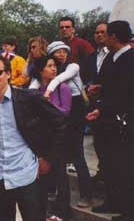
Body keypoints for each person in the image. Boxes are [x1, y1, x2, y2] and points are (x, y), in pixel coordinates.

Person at [0, 53, 67, 221]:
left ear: (9, 74)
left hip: (28, 174)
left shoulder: (29, 98)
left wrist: (48, 159)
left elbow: (61, 124)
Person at [30, 41, 93, 208]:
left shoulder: (71, 67)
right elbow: (34, 85)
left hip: (73, 114)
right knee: (58, 158)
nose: (61, 54)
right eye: (57, 52)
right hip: (59, 119)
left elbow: (57, 80)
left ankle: (87, 194)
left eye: (64, 51)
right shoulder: (50, 69)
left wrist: (48, 94)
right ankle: (54, 190)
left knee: (77, 155)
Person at [87, 21, 134, 221]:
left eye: (106, 34)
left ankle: (130, 209)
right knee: (108, 162)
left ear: (114, 37)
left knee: (125, 166)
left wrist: (102, 108)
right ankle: (113, 200)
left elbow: (128, 93)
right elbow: (109, 84)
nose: (103, 38)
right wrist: (98, 88)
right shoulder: (111, 57)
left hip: (124, 122)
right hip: (106, 121)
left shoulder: (133, 59)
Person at [32, 55, 72, 221]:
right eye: (49, 66)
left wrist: (48, 105)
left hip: (59, 136)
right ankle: (44, 209)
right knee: (44, 174)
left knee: (60, 173)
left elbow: (65, 113)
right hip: (42, 137)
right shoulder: (36, 90)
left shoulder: (62, 88)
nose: (54, 69)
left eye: (55, 66)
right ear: (41, 70)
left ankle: (63, 211)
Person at [85, 22, 110, 184]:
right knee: (98, 139)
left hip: (111, 103)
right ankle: (102, 170)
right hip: (95, 103)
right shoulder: (92, 56)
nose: (99, 35)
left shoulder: (114, 54)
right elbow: (87, 76)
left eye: (102, 32)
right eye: (96, 32)